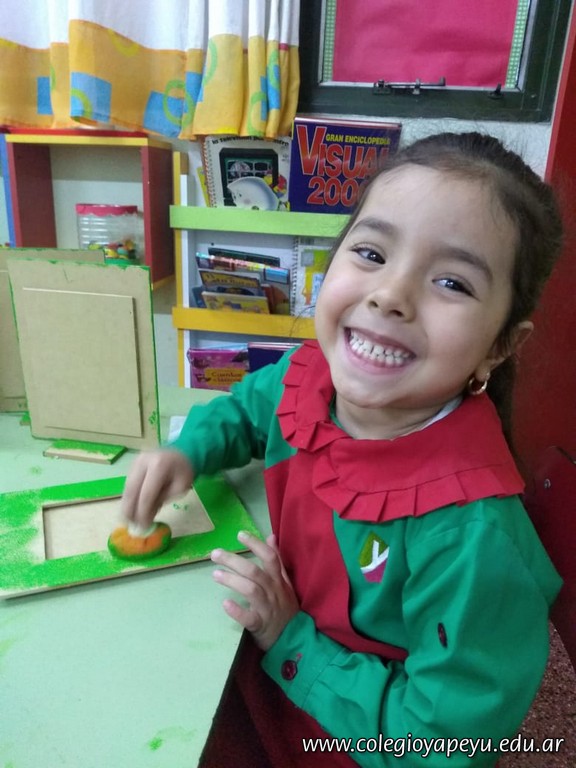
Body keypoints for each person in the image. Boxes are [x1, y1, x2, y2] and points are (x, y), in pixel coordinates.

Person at [121, 132, 564, 767]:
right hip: (251, 668)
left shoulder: (474, 541)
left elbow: (440, 747)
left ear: (500, 346)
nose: (390, 295)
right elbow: (245, 411)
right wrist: (188, 452)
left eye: (451, 282)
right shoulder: (308, 375)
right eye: (371, 252)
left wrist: (288, 637)